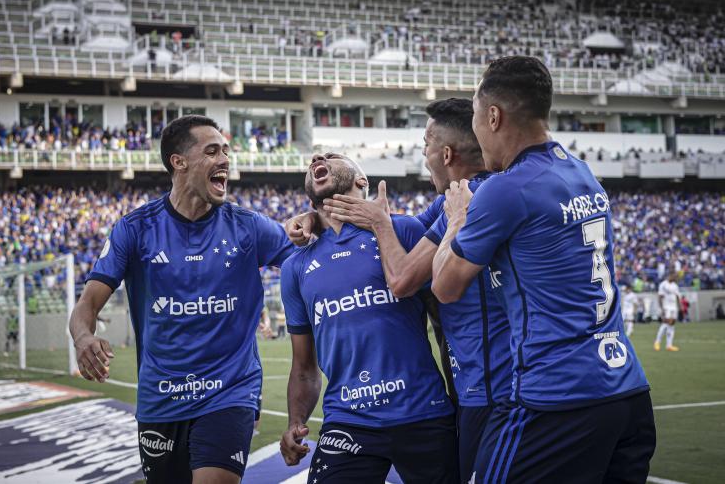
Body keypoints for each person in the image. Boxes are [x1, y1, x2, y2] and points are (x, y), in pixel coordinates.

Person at [431, 56, 655, 483]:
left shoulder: (506, 189)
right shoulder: (583, 173)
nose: (477, 134)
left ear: (493, 116)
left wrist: (457, 218)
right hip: (627, 390)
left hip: (556, 398)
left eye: (477, 119)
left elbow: (444, 286)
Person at [69, 115, 295, 484]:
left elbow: (306, 259)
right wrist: (82, 338)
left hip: (229, 391)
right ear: (179, 161)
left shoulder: (249, 226)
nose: (225, 159)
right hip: (161, 398)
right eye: (212, 151)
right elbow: (87, 304)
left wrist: (315, 223)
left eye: (226, 151)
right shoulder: (136, 228)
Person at [320, 98, 512, 481]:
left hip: (496, 390)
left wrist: (381, 225)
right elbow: (406, 226)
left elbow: (402, 280)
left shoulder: (474, 197)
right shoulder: (451, 203)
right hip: (477, 385)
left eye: (425, 145)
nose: (422, 155)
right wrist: (316, 216)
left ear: (446, 153)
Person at [279, 152, 458, 483]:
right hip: (348, 420)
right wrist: (295, 421)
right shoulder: (295, 267)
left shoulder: (403, 230)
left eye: (333, 156)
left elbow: (444, 320)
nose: (319, 157)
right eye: (315, 160)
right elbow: (304, 367)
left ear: (362, 181)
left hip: (423, 412)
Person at [655, 273, 681, 351]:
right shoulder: (663, 284)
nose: (676, 278)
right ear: (670, 275)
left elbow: (677, 296)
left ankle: (669, 345)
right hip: (666, 307)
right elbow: (660, 296)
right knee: (665, 323)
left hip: (674, 307)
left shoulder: (675, 286)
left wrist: (679, 306)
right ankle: (657, 342)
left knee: (672, 325)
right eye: (675, 276)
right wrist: (661, 308)